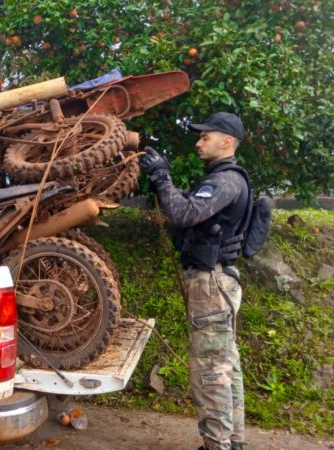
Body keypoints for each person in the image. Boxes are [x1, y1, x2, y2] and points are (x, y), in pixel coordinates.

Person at [139, 112, 250, 450]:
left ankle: (217, 445)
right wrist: (164, 183)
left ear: (226, 142)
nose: (198, 142)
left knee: (210, 370)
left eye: (205, 137)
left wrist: (162, 177)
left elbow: (184, 213)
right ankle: (233, 442)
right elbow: (189, 206)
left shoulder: (225, 181)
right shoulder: (222, 180)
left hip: (211, 283)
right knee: (225, 365)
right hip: (219, 280)